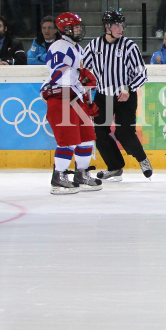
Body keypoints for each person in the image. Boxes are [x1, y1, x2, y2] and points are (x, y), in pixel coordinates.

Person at [82, 9, 151, 181]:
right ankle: (114, 167)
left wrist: (128, 88)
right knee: (99, 133)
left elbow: (142, 74)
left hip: (125, 96)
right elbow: (83, 69)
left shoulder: (129, 47)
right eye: (116, 25)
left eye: (122, 24)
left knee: (124, 133)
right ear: (107, 27)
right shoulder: (94, 46)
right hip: (103, 96)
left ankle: (142, 159)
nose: (121, 28)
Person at [40, 11, 102, 194]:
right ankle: (58, 177)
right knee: (68, 140)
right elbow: (58, 73)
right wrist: (80, 74)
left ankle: (81, 174)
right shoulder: (60, 45)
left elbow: (76, 79)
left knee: (86, 137)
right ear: (65, 28)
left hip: (74, 97)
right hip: (61, 97)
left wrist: (85, 97)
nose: (79, 30)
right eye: (75, 27)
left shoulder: (75, 47)